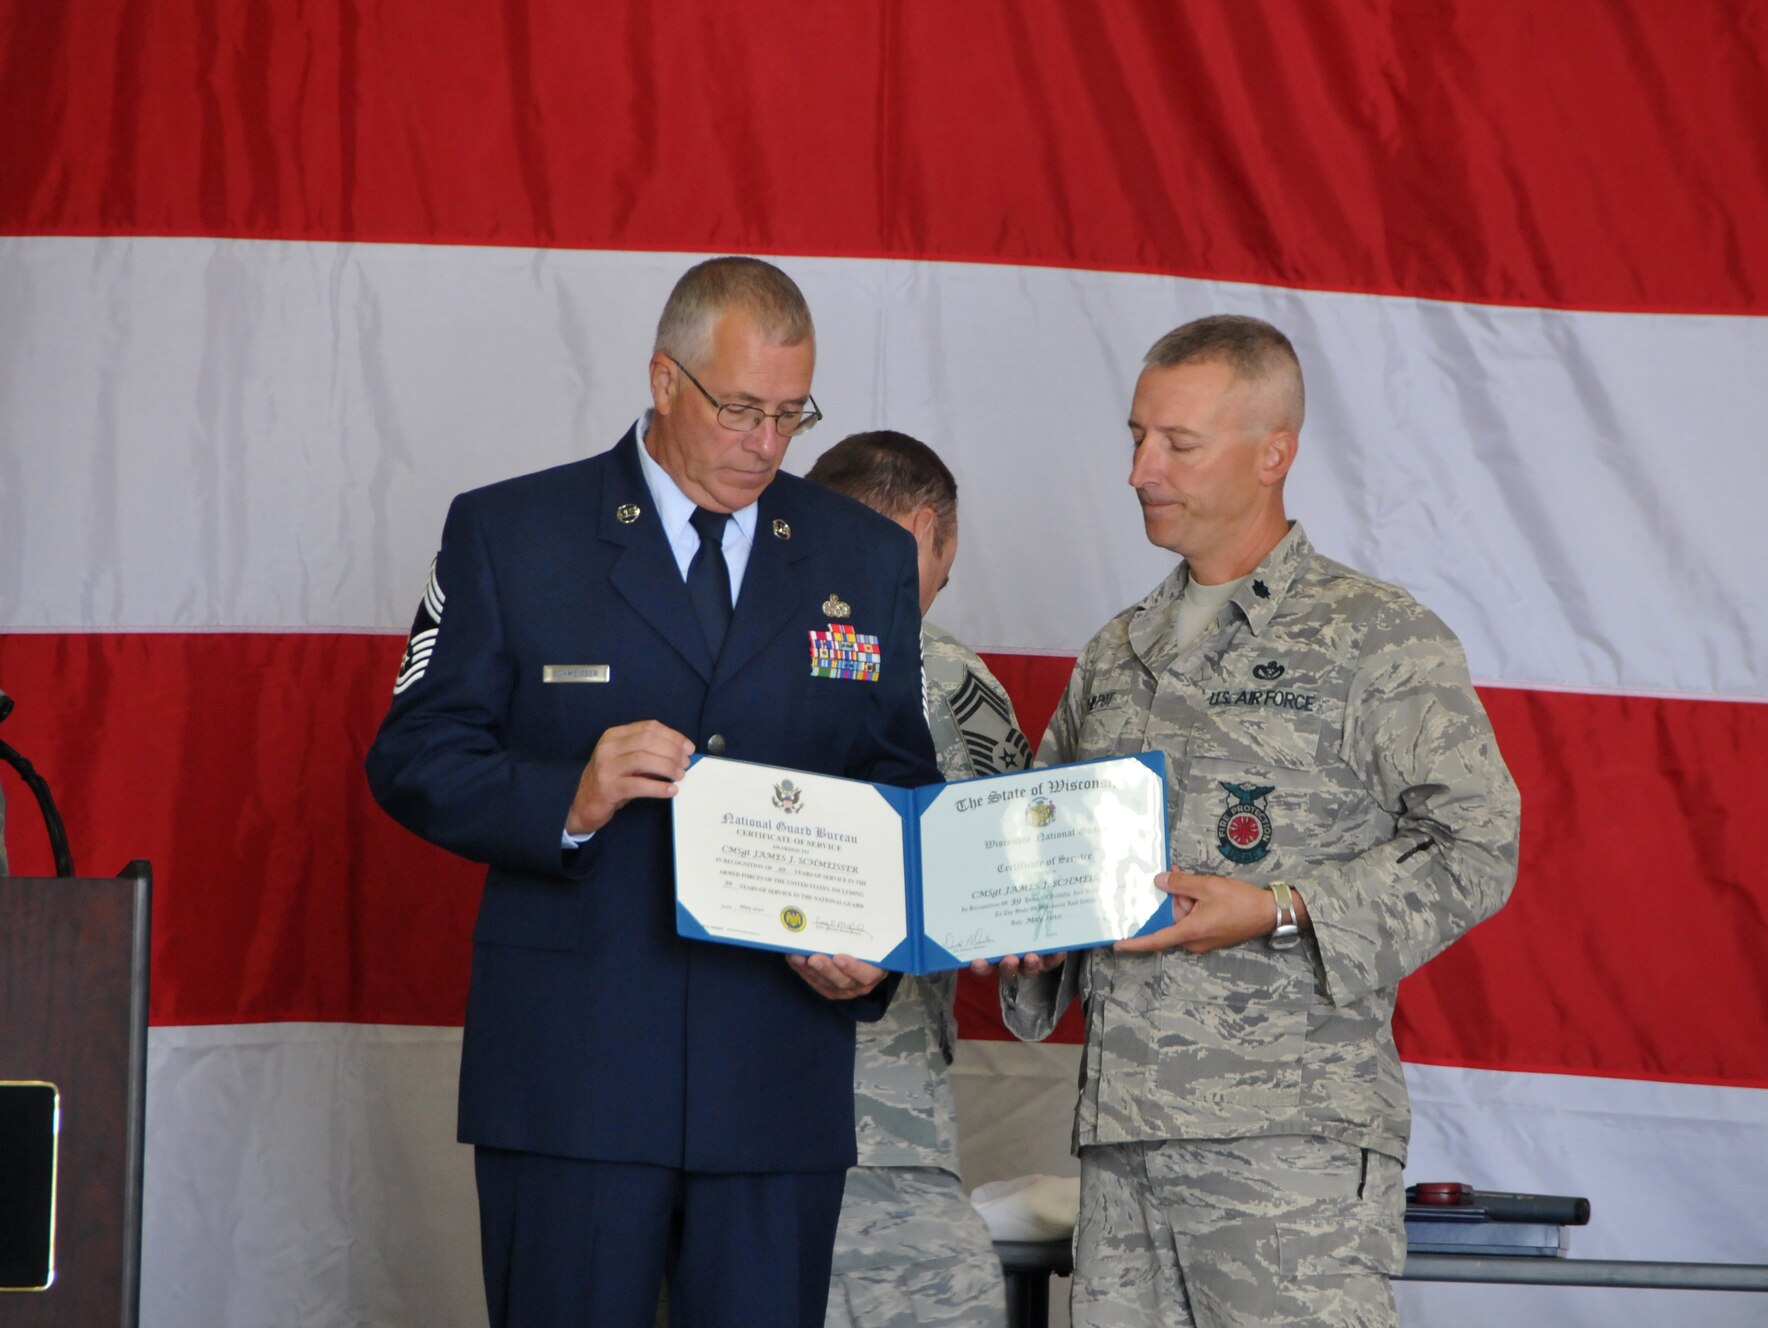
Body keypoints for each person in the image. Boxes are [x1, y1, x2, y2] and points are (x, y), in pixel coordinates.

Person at [366, 257, 939, 1328]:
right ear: (663, 380)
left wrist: (873, 945)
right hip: (574, 1073)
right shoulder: (512, 533)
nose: (765, 444)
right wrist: (567, 798)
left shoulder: (859, 556)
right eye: (739, 409)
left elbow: (900, 780)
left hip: (776, 1073)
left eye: (789, 414)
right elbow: (413, 753)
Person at [988, 315, 1521, 1327]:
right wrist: (1023, 936)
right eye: (1136, 436)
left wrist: (1275, 907)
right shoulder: (1116, 651)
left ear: (1273, 451)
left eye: (1177, 443)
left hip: (1290, 1149)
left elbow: (1476, 847)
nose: (1141, 468)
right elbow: (1037, 845)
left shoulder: (1375, 638)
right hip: (1122, 1143)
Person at [804, 431, 1027, 1327]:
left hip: (700, 1124)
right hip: (878, 1138)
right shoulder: (934, 673)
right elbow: (1008, 886)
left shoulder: (718, 654)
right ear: (928, 531)